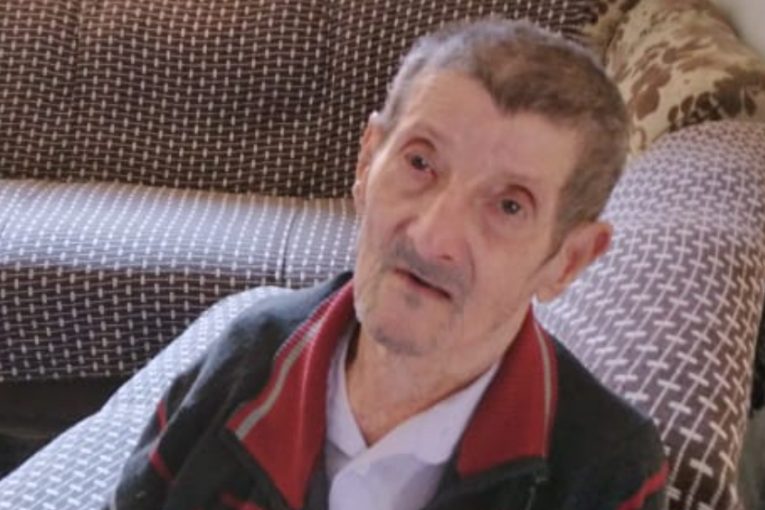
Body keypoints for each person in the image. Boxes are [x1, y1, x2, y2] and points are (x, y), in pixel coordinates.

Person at [108, 19, 668, 510]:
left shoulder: (608, 469)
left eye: (509, 206)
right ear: (367, 161)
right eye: (420, 162)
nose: (430, 238)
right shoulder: (248, 357)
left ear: (568, 260)